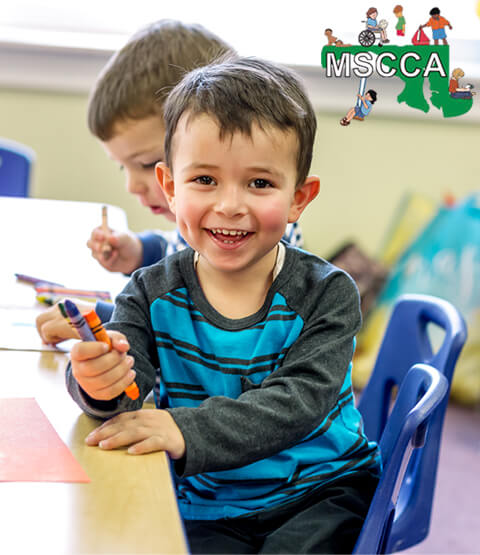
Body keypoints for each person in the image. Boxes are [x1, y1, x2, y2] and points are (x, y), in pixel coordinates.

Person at [66, 56, 381, 554]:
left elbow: (296, 405)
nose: (230, 205)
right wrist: (97, 382)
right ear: (170, 187)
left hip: (321, 488)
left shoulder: (327, 294)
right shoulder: (149, 293)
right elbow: (126, 391)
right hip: (209, 500)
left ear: (299, 197)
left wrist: (182, 427)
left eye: (259, 183)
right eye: (205, 180)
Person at [35, 20, 304, 346]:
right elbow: (188, 258)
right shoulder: (219, 224)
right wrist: (141, 252)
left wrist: (105, 318)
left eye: (147, 163)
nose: (132, 186)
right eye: (123, 167)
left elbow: (211, 332)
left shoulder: (258, 230)